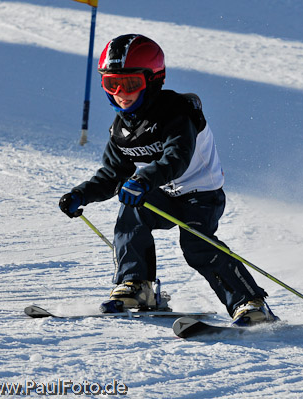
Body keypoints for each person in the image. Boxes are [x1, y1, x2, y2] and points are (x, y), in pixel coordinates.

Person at [59, 34, 277, 326]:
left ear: (153, 81)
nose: (121, 92)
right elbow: (112, 174)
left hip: (201, 193)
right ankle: (137, 286)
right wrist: (81, 195)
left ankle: (251, 304)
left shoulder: (177, 113)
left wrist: (144, 179)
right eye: (112, 83)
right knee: (131, 214)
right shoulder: (121, 130)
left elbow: (176, 158)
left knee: (197, 245)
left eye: (131, 84)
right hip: (162, 191)